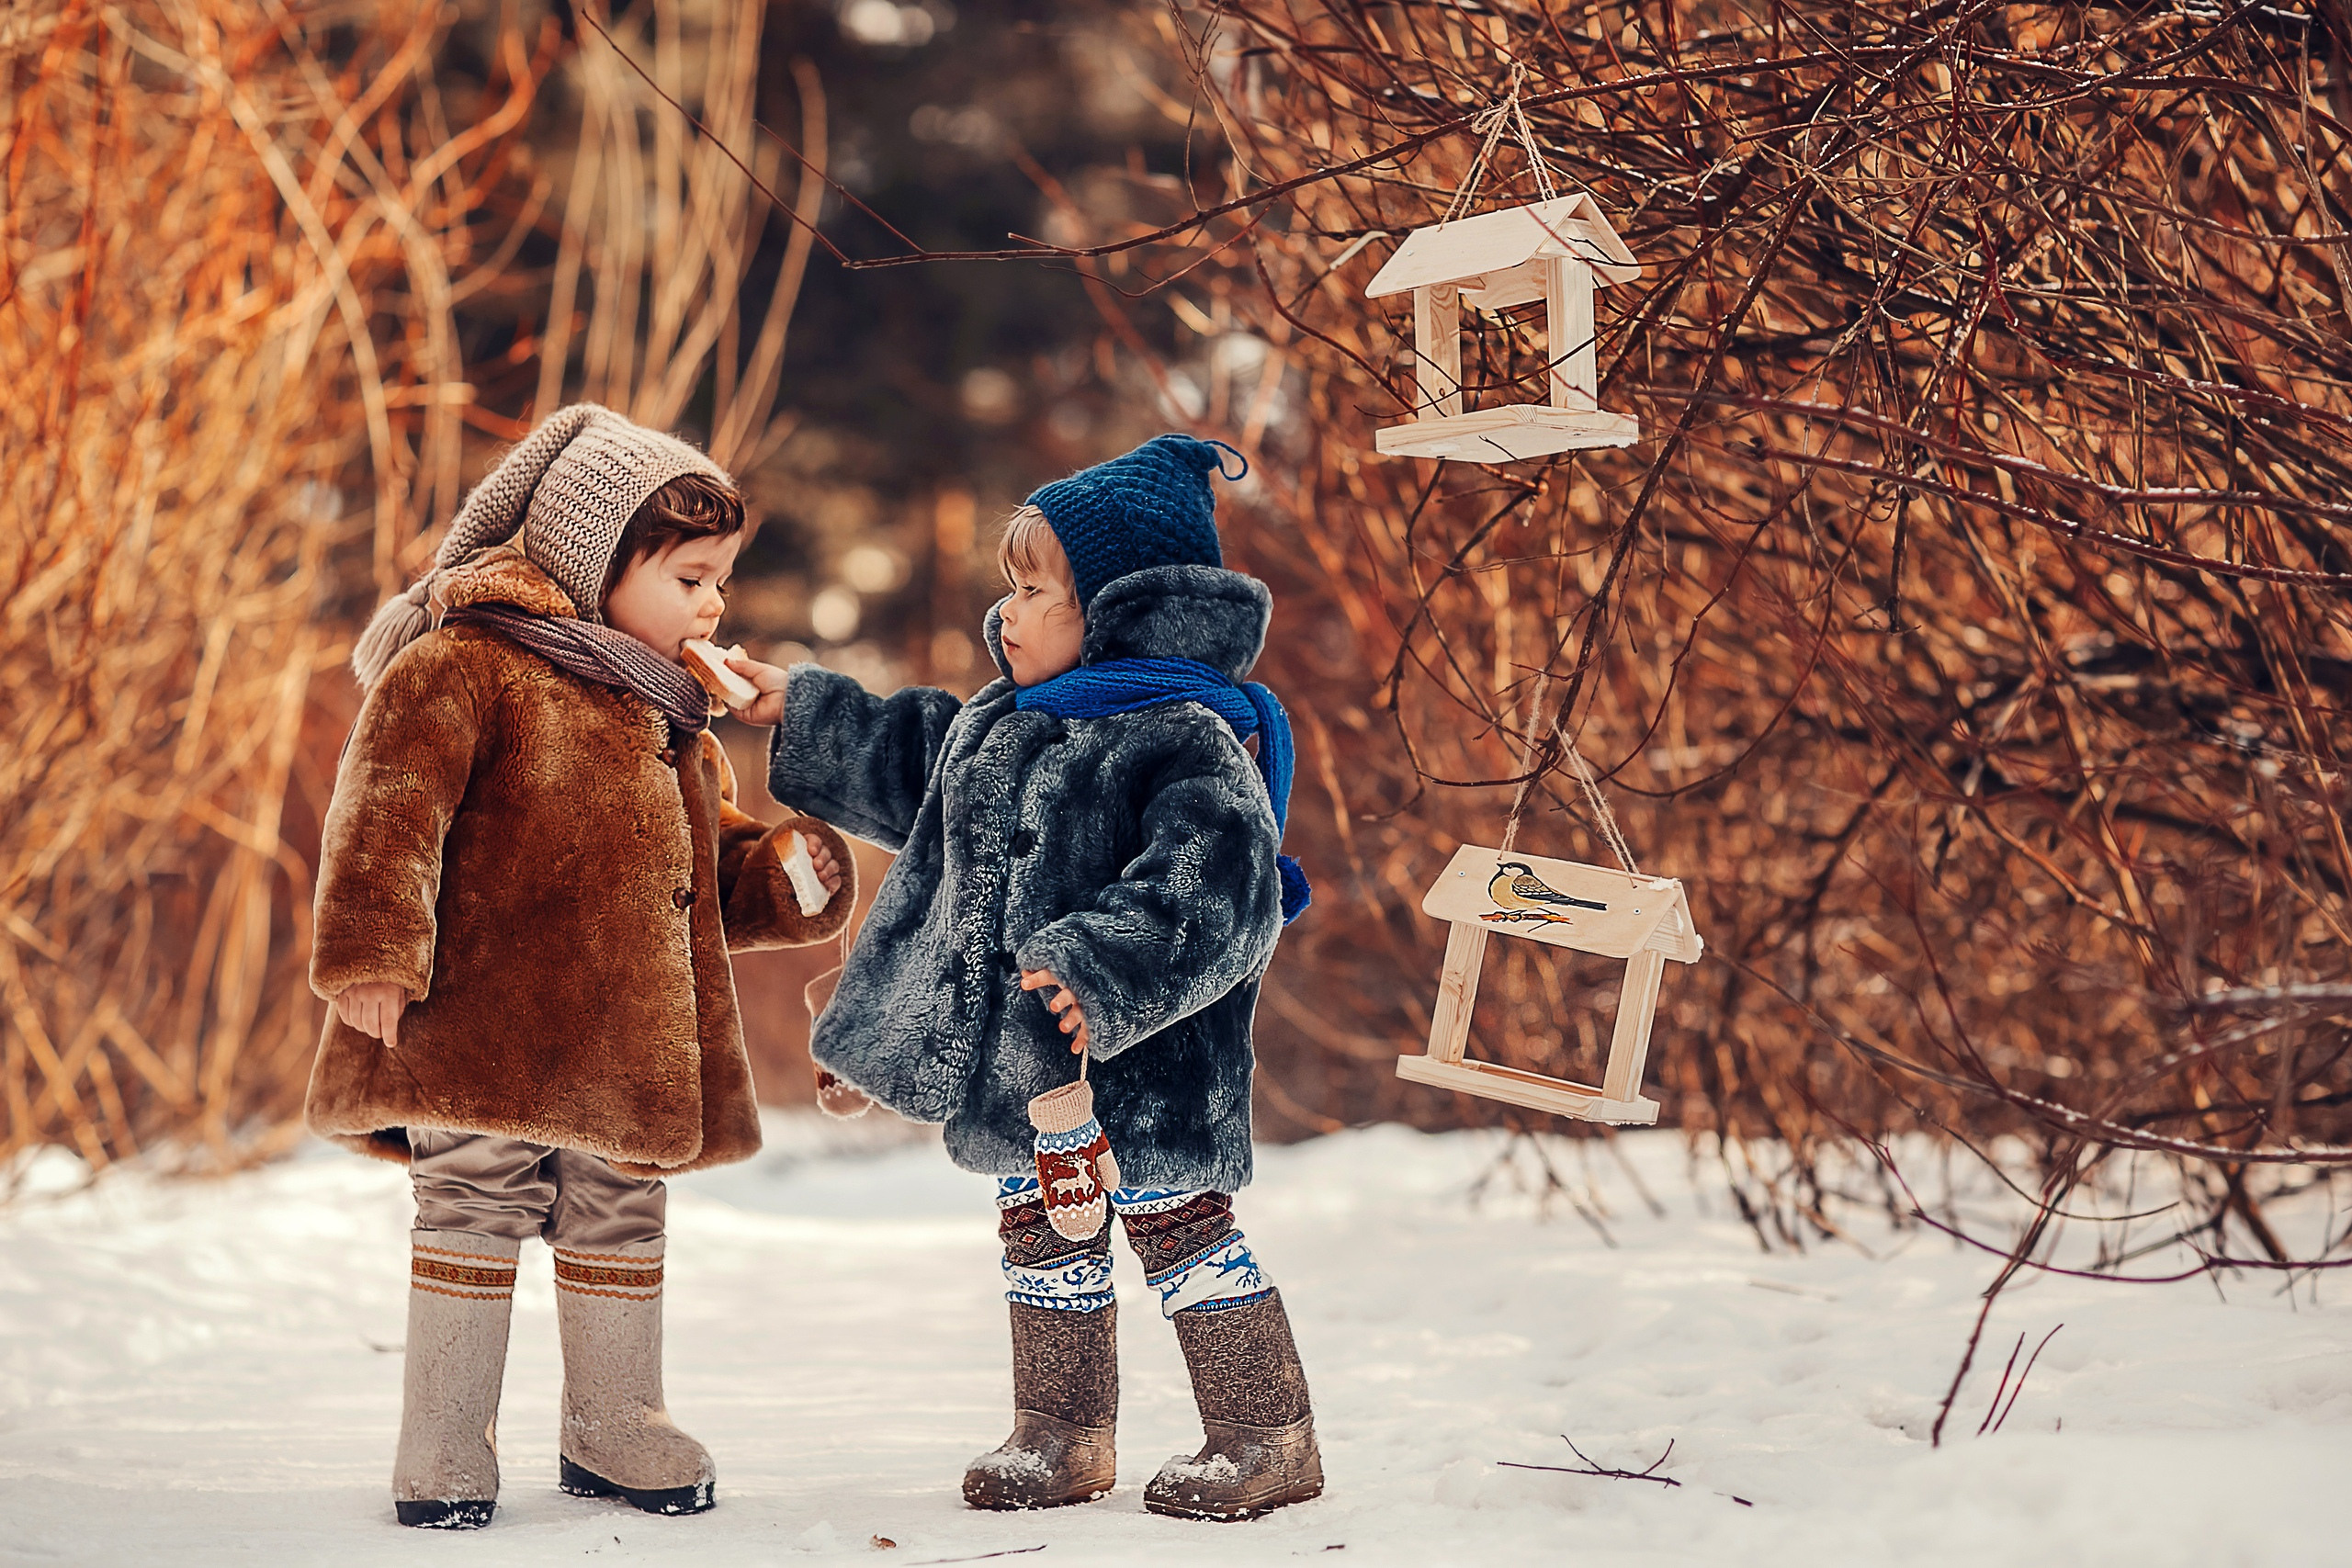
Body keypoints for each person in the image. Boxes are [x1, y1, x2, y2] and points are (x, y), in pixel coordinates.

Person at [731, 434, 1322, 1521]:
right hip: (1024, 1068)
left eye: (1037, 591)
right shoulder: (1001, 727)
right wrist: (803, 712)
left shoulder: (1185, 738)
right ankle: (1060, 1434)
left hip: (1147, 1066)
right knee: (1042, 1240)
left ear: (1123, 611)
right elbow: (915, 763)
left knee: (1182, 1234)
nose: (1005, 613)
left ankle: (1264, 1436)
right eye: (1010, 588)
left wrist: (1097, 966)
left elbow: (1215, 886)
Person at [304, 403, 855, 1529]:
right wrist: (371, 951)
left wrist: (782, 875)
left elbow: (697, 870)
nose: (714, 604)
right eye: (690, 578)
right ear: (596, 562)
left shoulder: (670, 716)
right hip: (480, 1024)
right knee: (472, 1196)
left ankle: (615, 1423)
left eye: (721, 580)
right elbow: (387, 811)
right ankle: (443, 1441)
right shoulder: (465, 666)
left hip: (623, 1041)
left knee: (621, 1203)